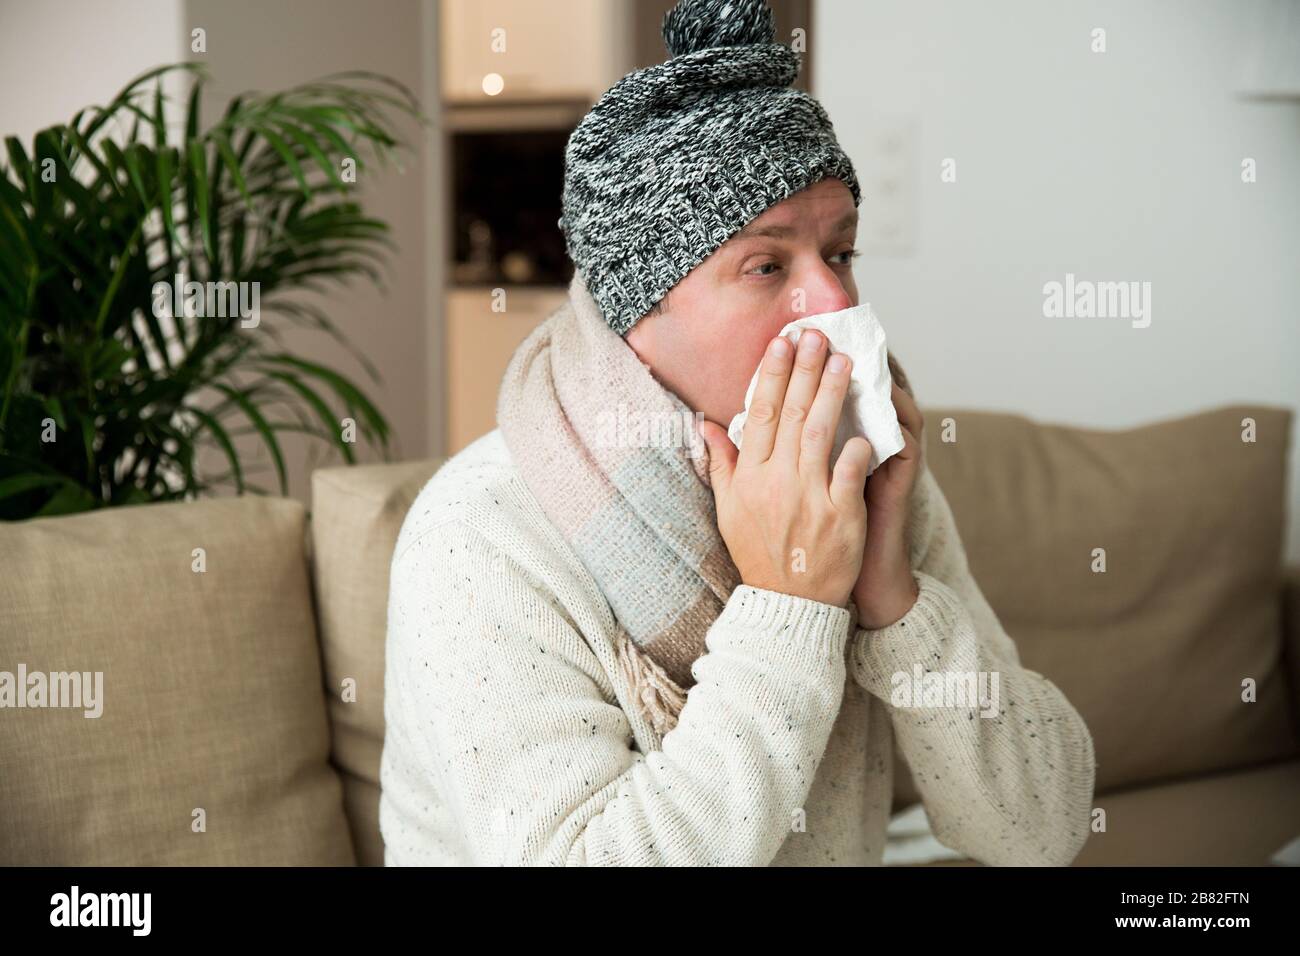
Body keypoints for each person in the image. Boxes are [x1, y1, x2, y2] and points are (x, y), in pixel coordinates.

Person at [379, 0, 1096, 866]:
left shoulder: (856, 476)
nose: (834, 303)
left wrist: (893, 600)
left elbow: (1043, 830)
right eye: (767, 265)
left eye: (841, 253)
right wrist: (790, 607)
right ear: (637, 307)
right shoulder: (482, 534)